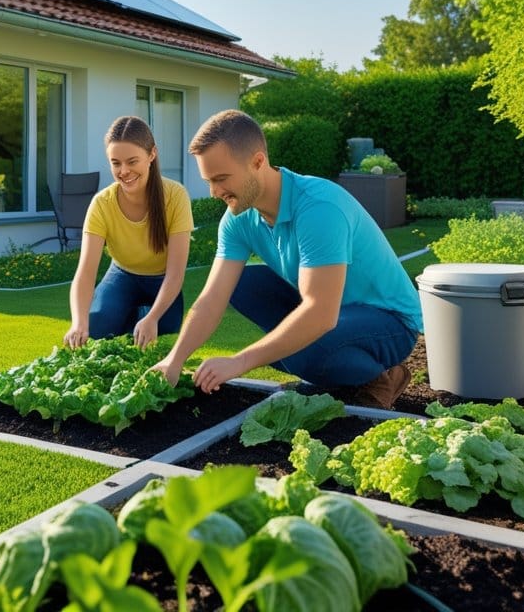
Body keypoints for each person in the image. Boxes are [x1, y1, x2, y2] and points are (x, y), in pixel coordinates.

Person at [152, 109, 422, 409]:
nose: (215, 192)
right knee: (242, 284)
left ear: (257, 162)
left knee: (299, 351)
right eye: (208, 181)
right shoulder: (238, 219)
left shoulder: (319, 208)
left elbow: (320, 313)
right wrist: (173, 360)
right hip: (339, 313)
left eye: (222, 179)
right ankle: (326, 364)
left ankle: (381, 376)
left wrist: (240, 361)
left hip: (390, 321)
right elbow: (212, 297)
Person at [63, 115, 194, 349]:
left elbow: (175, 274)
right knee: (97, 328)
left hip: (163, 280)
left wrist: (152, 318)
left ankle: (142, 316)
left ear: (151, 154)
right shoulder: (102, 203)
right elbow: (85, 273)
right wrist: (78, 322)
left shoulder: (175, 196)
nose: (124, 171)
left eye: (132, 161)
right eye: (116, 163)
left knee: (162, 341)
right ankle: (131, 317)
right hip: (122, 276)